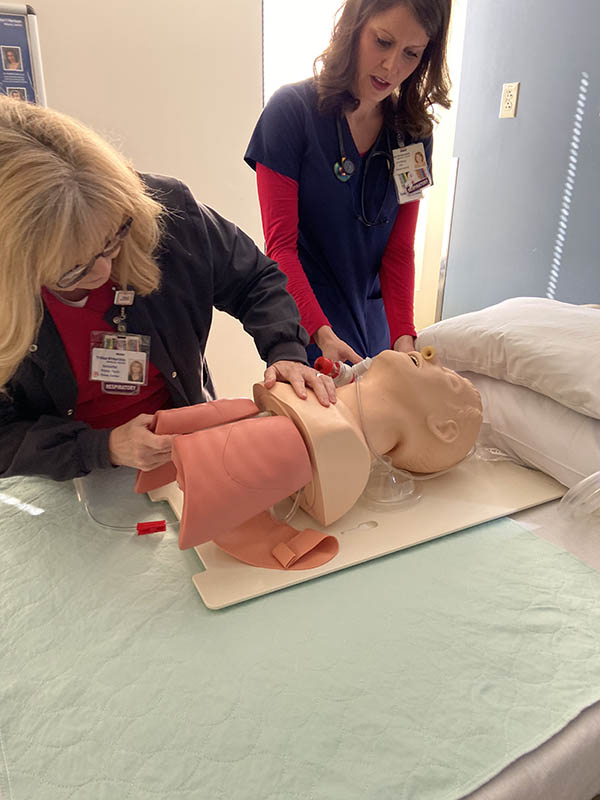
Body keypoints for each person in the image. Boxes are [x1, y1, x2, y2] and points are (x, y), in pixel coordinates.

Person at [0, 97, 337, 482]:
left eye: (114, 239)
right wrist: (102, 448)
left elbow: (255, 279)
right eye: (73, 269)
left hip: (183, 447)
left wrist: (285, 351)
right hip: (68, 471)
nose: (105, 269)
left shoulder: (166, 211)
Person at [245, 0, 451, 365]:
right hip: (307, 320)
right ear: (355, 26)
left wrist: (404, 337)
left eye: (411, 53)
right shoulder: (290, 113)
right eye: (383, 42)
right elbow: (281, 248)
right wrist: (322, 335)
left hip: (374, 322)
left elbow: (399, 250)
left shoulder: (413, 134)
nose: (392, 67)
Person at [138, 348, 483, 547]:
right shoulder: (326, 425)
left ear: (444, 429)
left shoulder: (338, 446)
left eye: (449, 378)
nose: (432, 355)